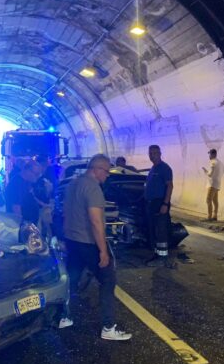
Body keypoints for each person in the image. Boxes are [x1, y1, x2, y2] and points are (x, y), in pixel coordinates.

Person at [60, 154, 132, 340]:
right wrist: (103, 251)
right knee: (108, 280)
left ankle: (65, 316)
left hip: (72, 240)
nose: (108, 175)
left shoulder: (73, 184)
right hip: (88, 242)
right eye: (106, 171)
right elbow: (96, 222)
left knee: (72, 279)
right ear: (97, 169)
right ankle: (108, 327)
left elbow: (65, 213)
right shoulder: (93, 188)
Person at [144, 144, 175, 266]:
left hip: (160, 203)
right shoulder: (153, 168)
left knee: (160, 230)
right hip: (151, 204)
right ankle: (157, 254)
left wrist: (165, 204)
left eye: (155, 153)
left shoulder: (164, 168)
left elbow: (170, 186)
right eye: (150, 153)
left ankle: (162, 258)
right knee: (154, 230)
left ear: (160, 153)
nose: (152, 155)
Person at [202, 148, 224, 221]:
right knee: (215, 201)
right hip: (217, 183)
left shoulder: (213, 162)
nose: (209, 156)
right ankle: (215, 216)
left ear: (213, 154)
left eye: (210, 154)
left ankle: (209, 216)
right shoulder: (220, 162)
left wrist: (205, 171)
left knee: (208, 200)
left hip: (212, 184)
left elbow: (210, 174)